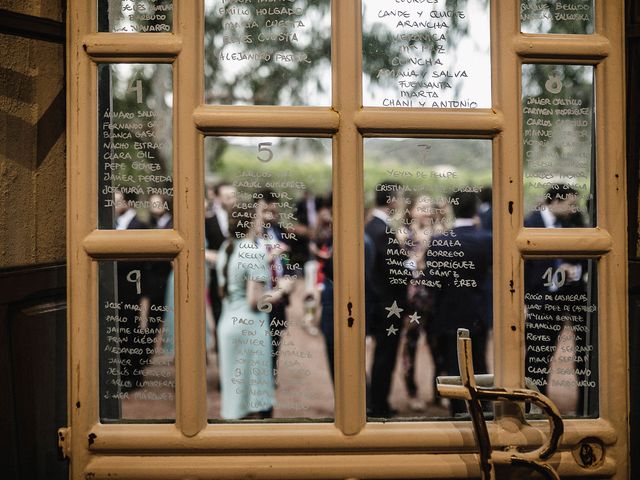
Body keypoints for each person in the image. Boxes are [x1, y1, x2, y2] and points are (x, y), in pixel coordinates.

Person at [216, 205, 293, 419]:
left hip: (228, 325)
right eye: (259, 218)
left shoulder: (227, 247)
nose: (262, 222)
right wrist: (282, 289)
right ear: (251, 223)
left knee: (236, 395)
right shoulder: (253, 251)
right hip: (249, 329)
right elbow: (255, 301)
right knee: (253, 400)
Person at [425, 190, 493, 416]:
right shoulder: (487, 240)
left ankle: (458, 414)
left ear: (453, 210)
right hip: (478, 312)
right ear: (476, 210)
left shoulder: (439, 241)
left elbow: (432, 282)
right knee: (480, 362)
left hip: (448, 312)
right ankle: (483, 410)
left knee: (454, 367)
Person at [524, 184, 589, 402]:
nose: (574, 209)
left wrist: (574, 271)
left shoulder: (570, 224)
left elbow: (581, 261)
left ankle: (543, 399)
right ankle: (532, 402)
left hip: (559, 302)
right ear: (556, 201)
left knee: (548, 353)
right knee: (535, 357)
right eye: (571, 204)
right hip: (536, 302)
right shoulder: (528, 223)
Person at [365, 181, 410, 417]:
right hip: (387, 304)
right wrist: (413, 265)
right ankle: (379, 405)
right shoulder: (383, 231)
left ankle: (377, 402)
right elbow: (395, 271)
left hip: (377, 301)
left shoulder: (371, 226)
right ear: (392, 200)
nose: (403, 202)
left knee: (382, 355)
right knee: (385, 356)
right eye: (401, 197)